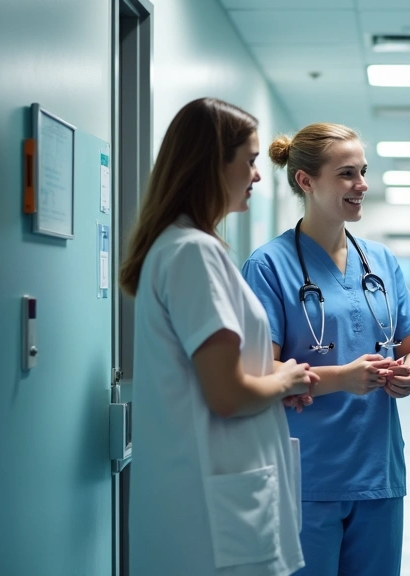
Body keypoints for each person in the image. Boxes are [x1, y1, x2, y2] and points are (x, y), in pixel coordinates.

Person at [120, 97, 317, 576]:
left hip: (201, 498)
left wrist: (274, 378)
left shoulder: (177, 247)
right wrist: (285, 381)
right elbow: (227, 394)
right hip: (209, 517)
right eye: (249, 161)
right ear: (213, 164)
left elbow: (218, 374)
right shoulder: (193, 254)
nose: (256, 175)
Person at [242, 122, 410, 576]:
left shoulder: (381, 262)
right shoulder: (268, 266)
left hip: (378, 471)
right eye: (347, 173)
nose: (362, 184)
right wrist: (342, 379)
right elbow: (262, 373)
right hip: (308, 474)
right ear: (306, 181)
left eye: (363, 172)